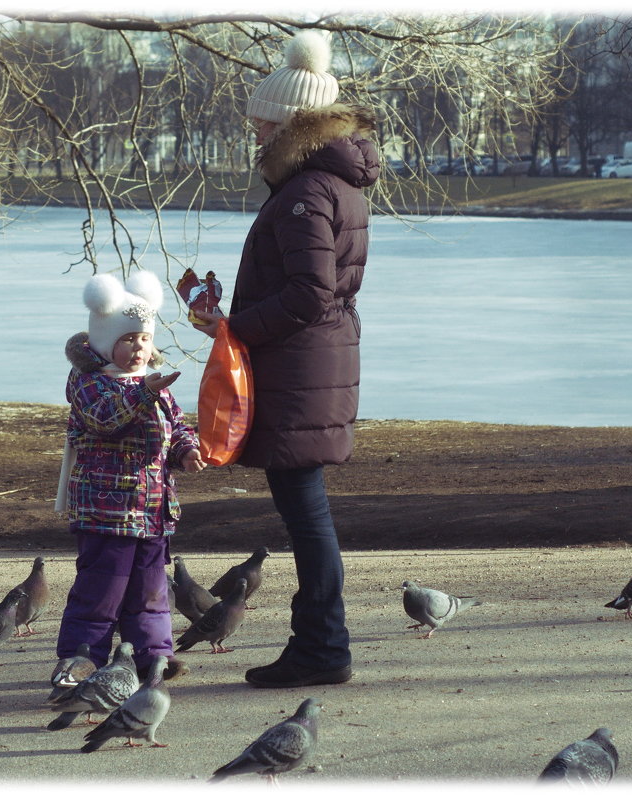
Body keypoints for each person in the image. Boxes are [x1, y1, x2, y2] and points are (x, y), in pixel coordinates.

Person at [191, 30, 380, 688]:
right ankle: (321, 643)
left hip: (301, 369)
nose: (253, 130)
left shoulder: (305, 192)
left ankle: (323, 647)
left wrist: (233, 327)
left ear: (292, 123)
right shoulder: (330, 183)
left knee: (307, 515)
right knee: (308, 513)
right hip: (313, 365)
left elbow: (308, 294)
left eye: (261, 121)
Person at [54, 271, 206, 680]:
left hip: (154, 511)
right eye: (126, 339)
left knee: (150, 590)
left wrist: (186, 450)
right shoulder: (89, 383)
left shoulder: (152, 384)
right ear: (105, 341)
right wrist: (143, 393)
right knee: (101, 590)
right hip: (106, 511)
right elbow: (105, 420)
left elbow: (177, 424)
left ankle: (153, 655)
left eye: (144, 338)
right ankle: (81, 659)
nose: (138, 347)